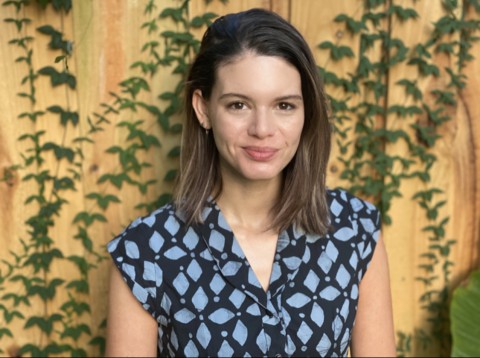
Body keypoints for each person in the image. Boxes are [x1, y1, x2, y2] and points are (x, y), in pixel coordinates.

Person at [105, 8, 395, 357]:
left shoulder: (355, 231)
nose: (262, 129)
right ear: (203, 108)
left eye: (284, 106)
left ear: (306, 112)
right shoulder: (146, 252)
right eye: (239, 105)